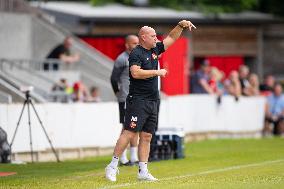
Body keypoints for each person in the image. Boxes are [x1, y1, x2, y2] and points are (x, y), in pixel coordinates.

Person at [105, 19, 196, 182]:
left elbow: (171, 38)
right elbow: (135, 73)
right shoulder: (136, 53)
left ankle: (143, 171)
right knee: (129, 132)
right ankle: (112, 166)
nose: (156, 38)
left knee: (147, 136)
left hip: (153, 100)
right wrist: (157, 72)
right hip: (137, 100)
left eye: (156, 36)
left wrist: (181, 25)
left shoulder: (155, 49)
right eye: (153, 36)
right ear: (143, 37)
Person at [110, 35, 139, 166]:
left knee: (135, 126)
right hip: (126, 98)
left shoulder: (137, 57)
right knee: (126, 128)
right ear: (127, 45)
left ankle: (133, 157)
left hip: (137, 98)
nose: (137, 45)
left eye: (138, 43)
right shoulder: (122, 59)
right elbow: (113, 78)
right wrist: (119, 93)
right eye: (134, 43)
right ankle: (121, 157)